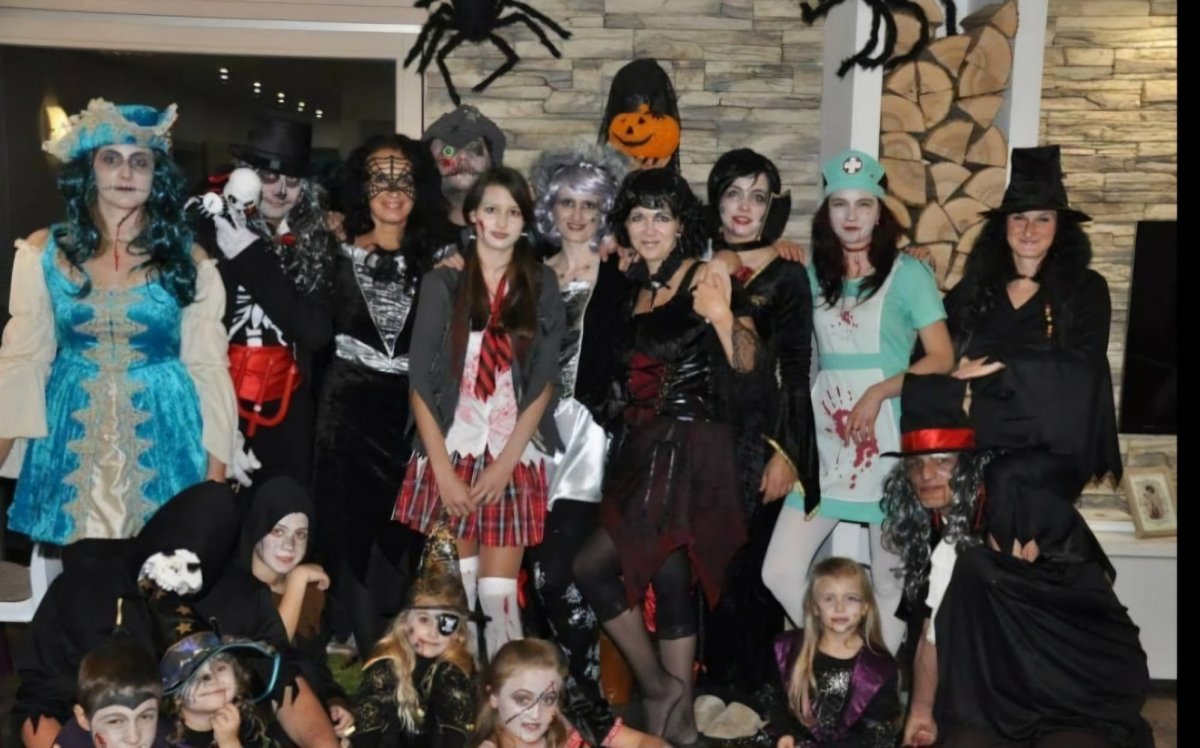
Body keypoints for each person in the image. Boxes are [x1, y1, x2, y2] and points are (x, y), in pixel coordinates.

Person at [572, 168, 758, 746]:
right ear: (625, 226)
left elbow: (750, 365)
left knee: (591, 567)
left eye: (662, 216)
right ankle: (677, 725)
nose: (649, 227)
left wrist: (722, 314)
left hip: (692, 449)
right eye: (637, 216)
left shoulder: (706, 276)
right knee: (672, 576)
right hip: (640, 447)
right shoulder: (632, 286)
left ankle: (657, 688)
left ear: (682, 225)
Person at [0, 98, 236, 552]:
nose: (126, 173)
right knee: (84, 575)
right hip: (73, 437)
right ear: (89, 170)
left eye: (140, 161)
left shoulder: (189, 260)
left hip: (167, 435)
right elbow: (24, 361)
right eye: (111, 159)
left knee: (159, 576)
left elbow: (208, 370)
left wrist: (216, 476)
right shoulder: (44, 252)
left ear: (156, 174)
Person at [762, 150, 955, 654]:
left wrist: (879, 390)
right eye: (839, 204)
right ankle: (840, 659)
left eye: (863, 204)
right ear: (826, 213)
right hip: (825, 443)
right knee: (779, 569)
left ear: (880, 211)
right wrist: (770, 249)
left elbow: (942, 357)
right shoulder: (809, 274)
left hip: (888, 441)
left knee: (889, 583)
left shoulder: (908, 273)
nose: (851, 216)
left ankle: (877, 686)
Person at [395, 166, 565, 660]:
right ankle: (456, 693)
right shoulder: (443, 282)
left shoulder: (541, 283)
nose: (502, 221)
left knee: (498, 595)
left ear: (525, 222)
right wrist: (444, 475)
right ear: (473, 216)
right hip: (451, 447)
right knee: (455, 592)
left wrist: (505, 464)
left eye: (514, 212)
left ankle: (504, 698)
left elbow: (543, 382)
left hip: (513, 452)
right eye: (491, 209)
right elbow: (420, 382)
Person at [311, 133, 454, 657]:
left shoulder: (445, 256)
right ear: (360, 186)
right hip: (347, 410)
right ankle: (373, 652)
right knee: (352, 531)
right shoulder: (334, 247)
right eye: (379, 179)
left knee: (409, 532)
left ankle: (408, 648)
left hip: (415, 414)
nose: (392, 191)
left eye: (404, 179)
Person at [699, 147, 821, 700]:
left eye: (757, 196)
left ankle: (755, 694)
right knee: (712, 569)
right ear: (717, 201)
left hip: (761, 438)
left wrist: (786, 454)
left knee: (753, 572)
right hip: (704, 439)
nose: (744, 207)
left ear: (771, 206)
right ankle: (714, 687)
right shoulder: (697, 264)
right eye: (733, 194)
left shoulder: (789, 275)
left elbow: (797, 370)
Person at [926, 458, 1153, 748]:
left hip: (1078, 717)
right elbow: (958, 672)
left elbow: (1121, 679)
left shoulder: (1078, 579)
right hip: (995, 715)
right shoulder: (979, 571)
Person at [944, 145, 1122, 496]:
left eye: (1043, 218)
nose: (1029, 229)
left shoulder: (1086, 289)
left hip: (1053, 446)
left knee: (1011, 494)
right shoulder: (976, 289)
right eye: (1019, 217)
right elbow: (934, 349)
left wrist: (1002, 363)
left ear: (1060, 228)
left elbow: (1085, 364)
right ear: (1003, 226)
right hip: (984, 440)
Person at [523, 142, 630, 717]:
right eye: (567, 202)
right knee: (535, 572)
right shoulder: (533, 275)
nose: (577, 215)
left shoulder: (620, 273)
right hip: (531, 435)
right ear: (551, 207)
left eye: (590, 204)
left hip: (588, 438)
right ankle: (559, 689)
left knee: (553, 569)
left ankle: (586, 690)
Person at [194, 110, 338, 486]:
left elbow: (315, 332)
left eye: (293, 180)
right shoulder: (209, 236)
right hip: (216, 404)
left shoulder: (315, 244)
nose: (281, 191)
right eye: (269, 177)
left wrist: (250, 255)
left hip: (288, 410)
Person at [204, 476, 354, 740]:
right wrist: (297, 581)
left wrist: (334, 699)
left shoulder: (309, 591)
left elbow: (315, 662)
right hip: (244, 708)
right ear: (258, 527)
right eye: (278, 531)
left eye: (300, 535)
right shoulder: (228, 588)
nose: (289, 546)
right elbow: (265, 656)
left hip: (299, 706)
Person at [351, 523, 478, 748]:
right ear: (404, 622)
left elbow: (454, 732)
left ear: (458, 632)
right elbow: (369, 723)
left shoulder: (456, 672)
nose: (433, 632)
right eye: (424, 619)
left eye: (446, 623)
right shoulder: (386, 665)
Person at [772, 557, 899, 748]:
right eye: (829, 598)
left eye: (851, 598)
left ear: (865, 607)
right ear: (815, 607)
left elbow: (879, 731)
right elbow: (776, 702)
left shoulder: (878, 668)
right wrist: (784, 735)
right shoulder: (789, 649)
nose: (840, 607)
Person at [471, 638, 669, 748]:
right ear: (493, 696)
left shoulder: (576, 720)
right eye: (523, 699)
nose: (536, 713)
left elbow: (643, 742)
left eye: (548, 699)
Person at [53, 638, 167, 748]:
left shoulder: (168, 740)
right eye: (115, 721)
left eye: (145, 717)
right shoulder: (72, 741)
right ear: (83, 718)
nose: (134, 738)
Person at [424, 105, 508, 230]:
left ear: (492, 162)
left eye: (475, 149)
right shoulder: (412, 234)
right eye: (448, 151)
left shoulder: (515, 232)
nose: (462, 156)